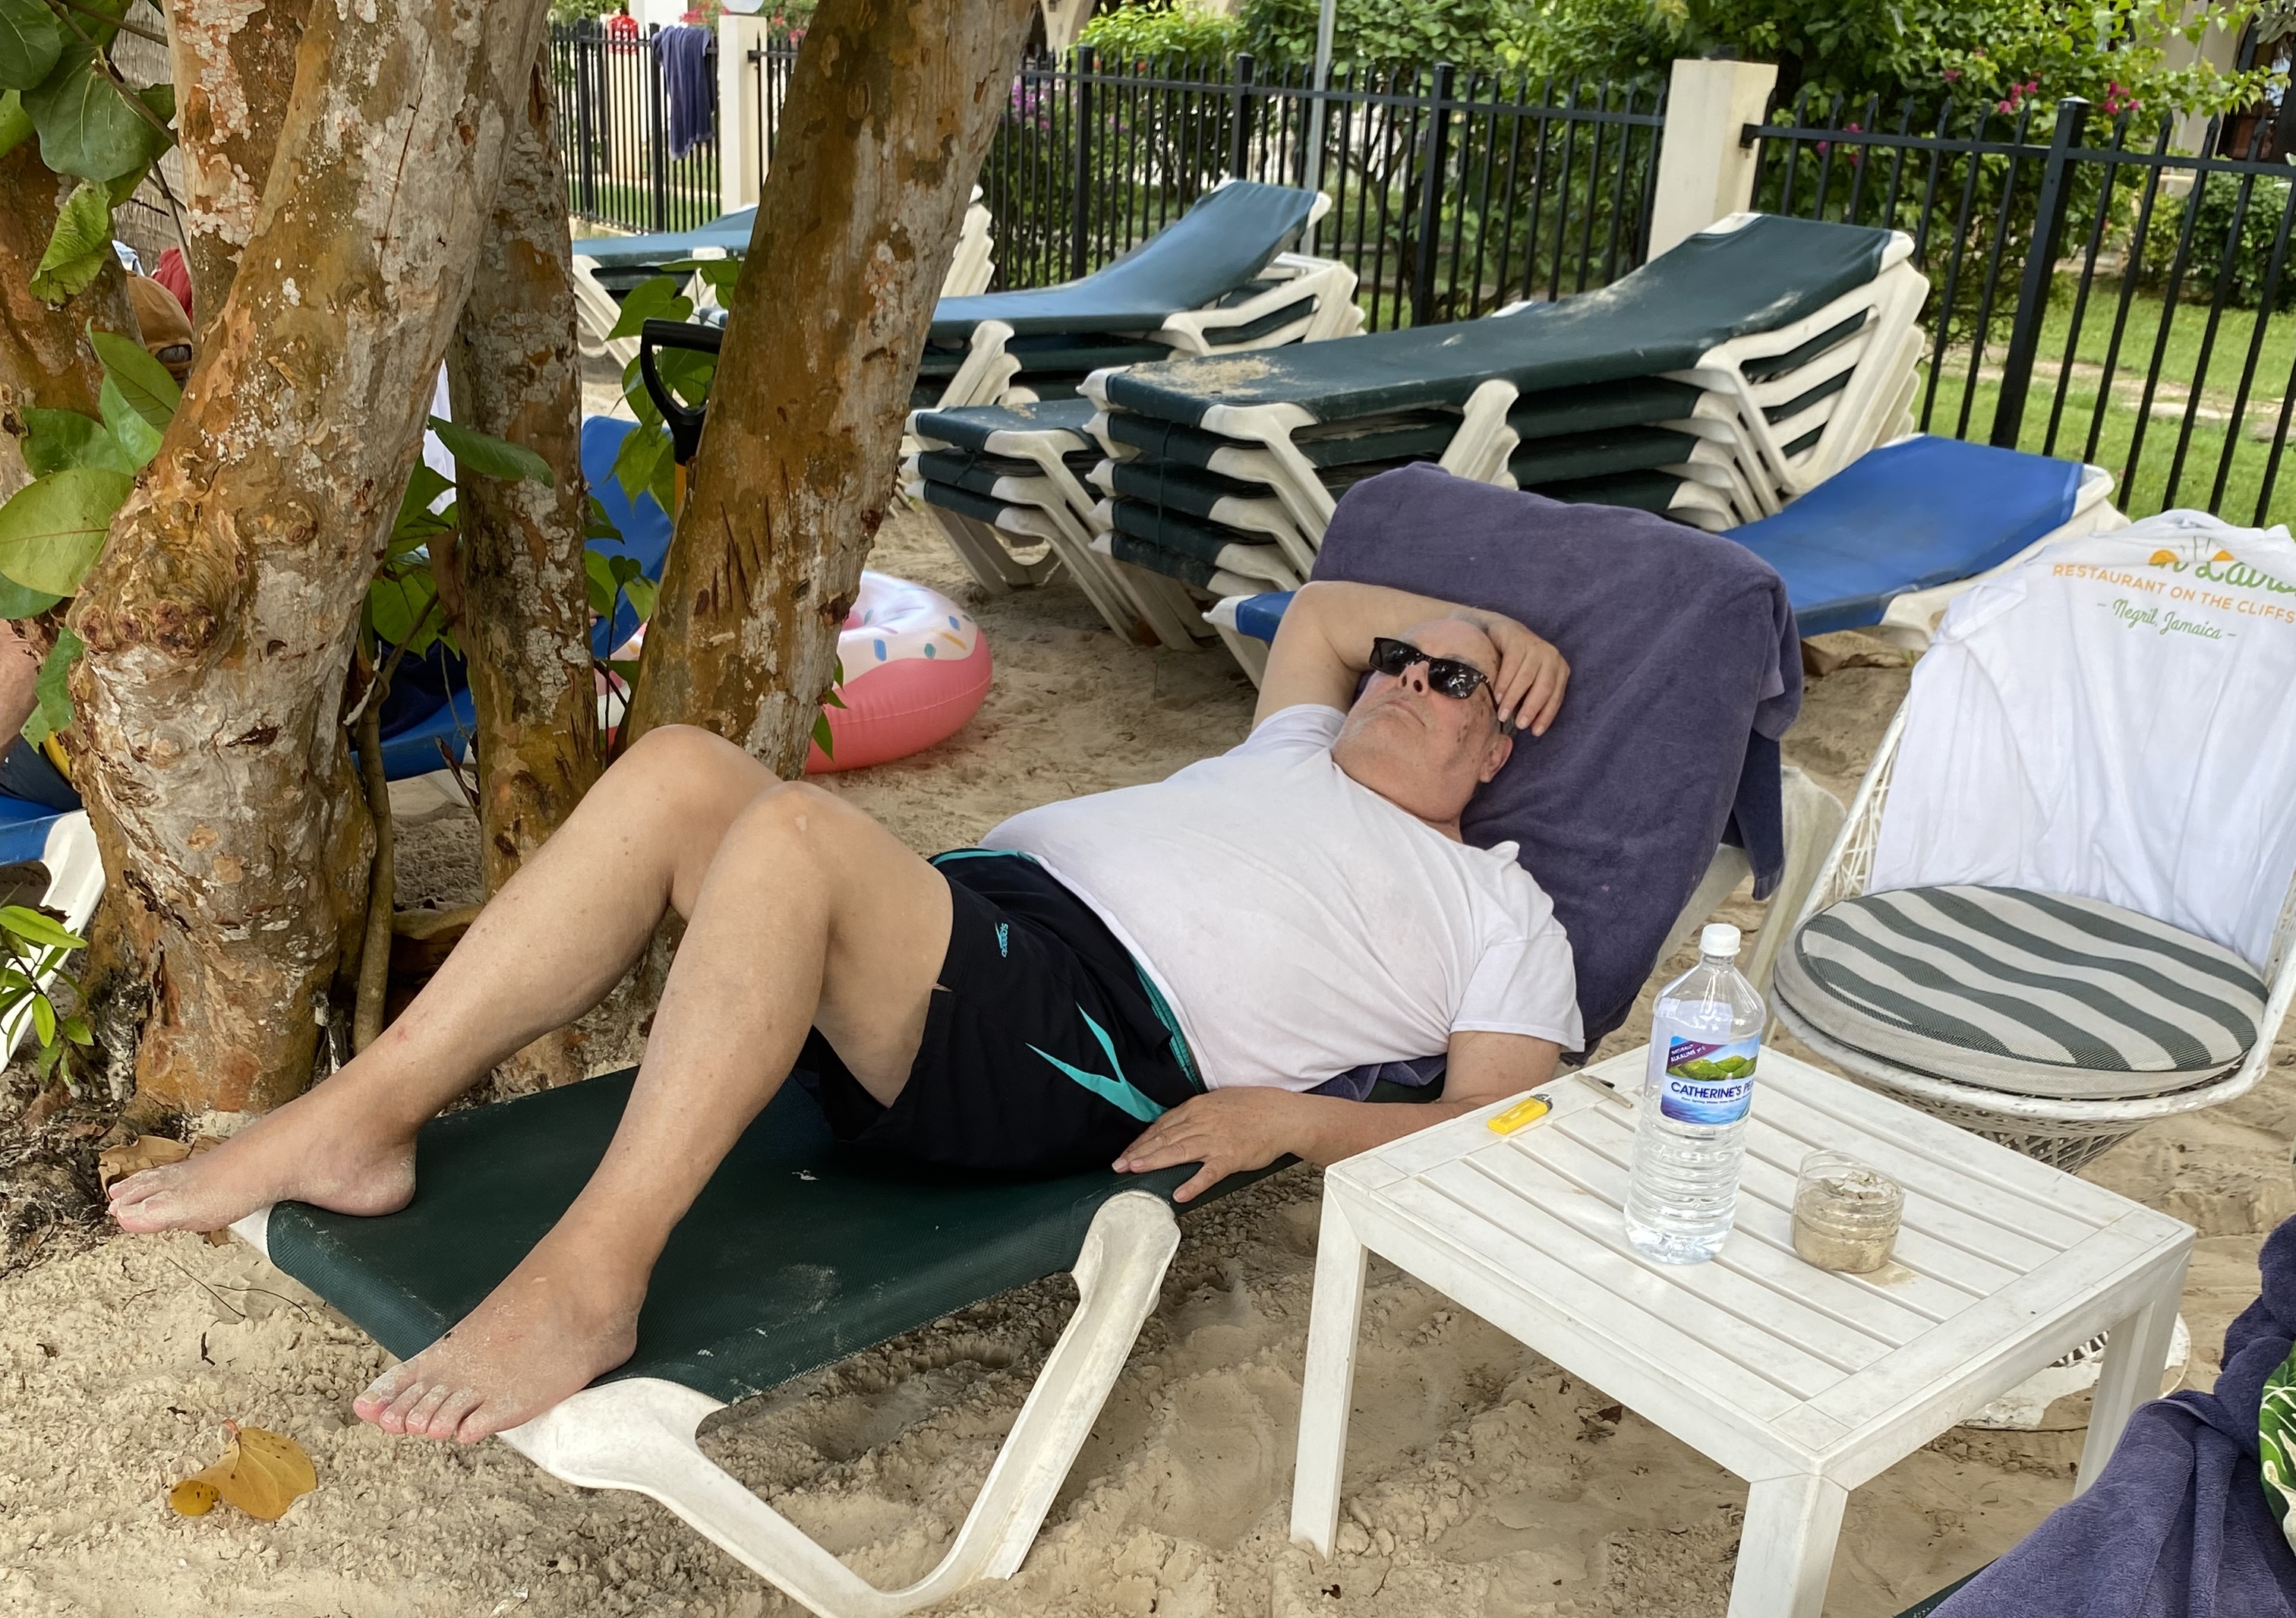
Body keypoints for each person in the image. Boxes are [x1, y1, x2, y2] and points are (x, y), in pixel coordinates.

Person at [109, 581, 1580, 1444]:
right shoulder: (1301, 744)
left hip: (1093, 1040)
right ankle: (361, 1119)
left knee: (796, 836)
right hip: (980, 926)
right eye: (1403, 663)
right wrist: (1471, 621)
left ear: (1502, 747)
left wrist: (1295, 1121)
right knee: (681, 768)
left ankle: (589, 1281)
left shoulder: (1499, 909)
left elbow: (1505, 1114)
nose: (1402, 677)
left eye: (1449, 682)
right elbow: (1322, 615)